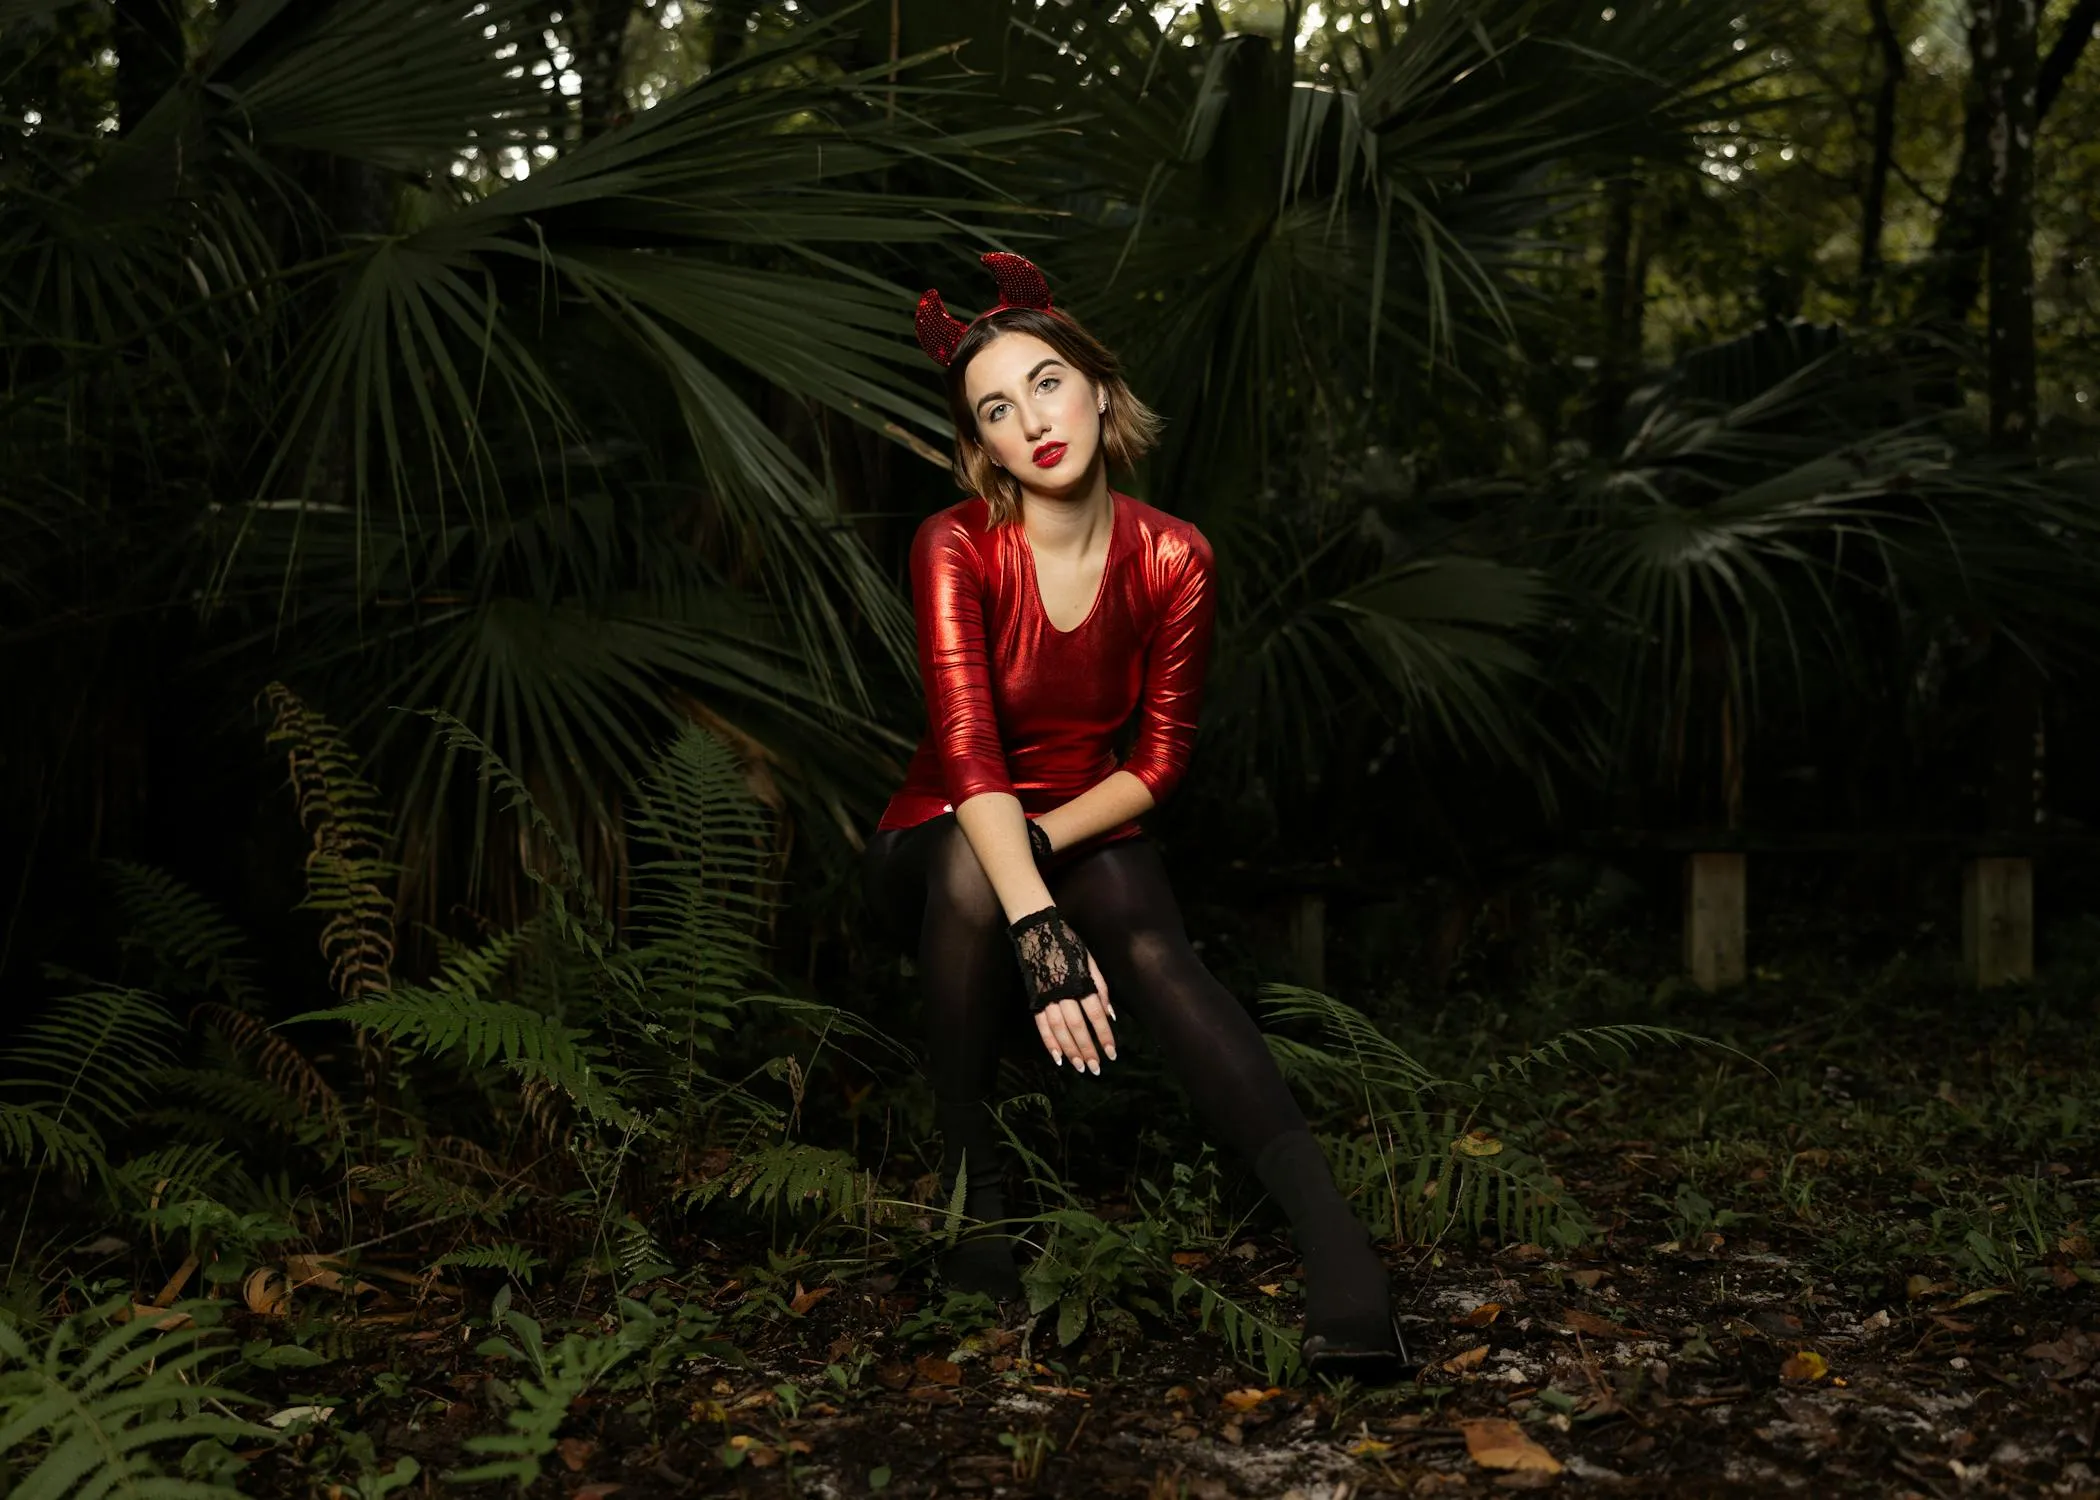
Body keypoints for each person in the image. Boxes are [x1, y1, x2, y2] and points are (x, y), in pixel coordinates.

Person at [859, 252, 1405, 1380]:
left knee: (1157, 945)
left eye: (1048, 384)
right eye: (997, 410)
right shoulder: (955, 544)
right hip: (938, 823)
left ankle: (1338, 1248)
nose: (1034, 421)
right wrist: (1036, 922)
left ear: (1100, 389)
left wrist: (1053, 862)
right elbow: (969, 755)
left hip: (1085, 816)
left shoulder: (1176, 555)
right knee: (973, 860)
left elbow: (1159, 761)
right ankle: (978, 1199)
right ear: (983, 447)